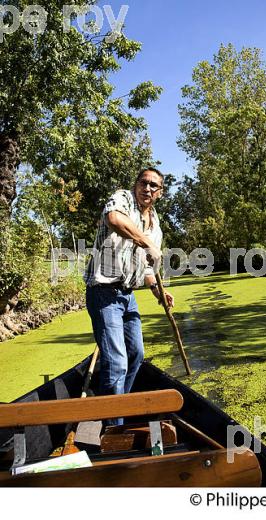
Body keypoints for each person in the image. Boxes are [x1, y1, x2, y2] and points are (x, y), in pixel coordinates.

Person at [84, 167, 174, 427]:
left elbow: (146, 270)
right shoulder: (122, 199)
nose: (147, 188)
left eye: (153, 185)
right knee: (116, 362)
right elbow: (114, 219)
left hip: (127, 295)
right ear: (136, 185)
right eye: (143, 183)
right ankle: (113, 428)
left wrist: (157, 289)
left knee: (135, 354)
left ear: (160, 193)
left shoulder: (155, 226)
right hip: (103, 292)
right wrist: (145, 242)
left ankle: (113, 406)